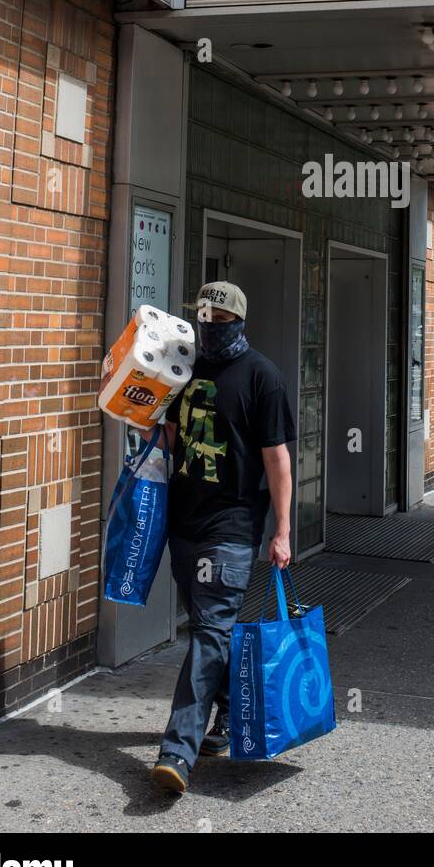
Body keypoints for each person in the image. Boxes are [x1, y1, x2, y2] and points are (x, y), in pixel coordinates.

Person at [146, 281, 295, 795]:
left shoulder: (262, 378)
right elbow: (171, 435)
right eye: (201, 316)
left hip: (232, 527)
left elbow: (278, 461)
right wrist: (144, 421)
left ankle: (176, 752)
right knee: (212, 630)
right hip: (184, 523)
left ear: (236, 321)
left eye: (216, 318)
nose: (206, 325)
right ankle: (230, 711)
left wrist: (283, 530)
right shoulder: (185, 372)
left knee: (209, 632)